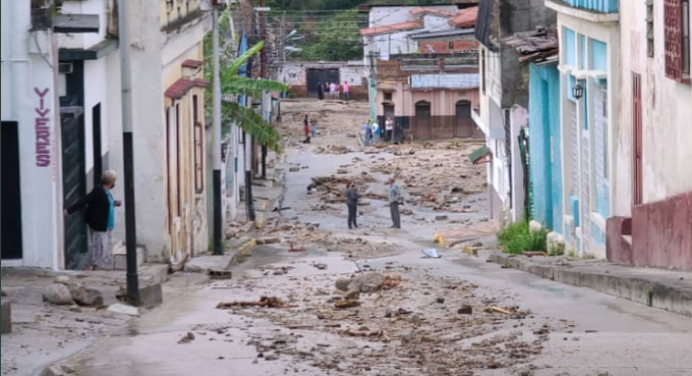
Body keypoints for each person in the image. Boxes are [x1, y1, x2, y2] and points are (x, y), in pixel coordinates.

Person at [64, 170, 121, 270]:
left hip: (107, 224)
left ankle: (99, 266)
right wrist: (69, 210)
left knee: (105, 245)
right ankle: (96, 267)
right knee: (99, 246)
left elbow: (103, 204)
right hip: (99, 224)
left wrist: (114, 203)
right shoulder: (99, 190)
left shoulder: (106, 191)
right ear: (112, 181)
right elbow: (85, 200)